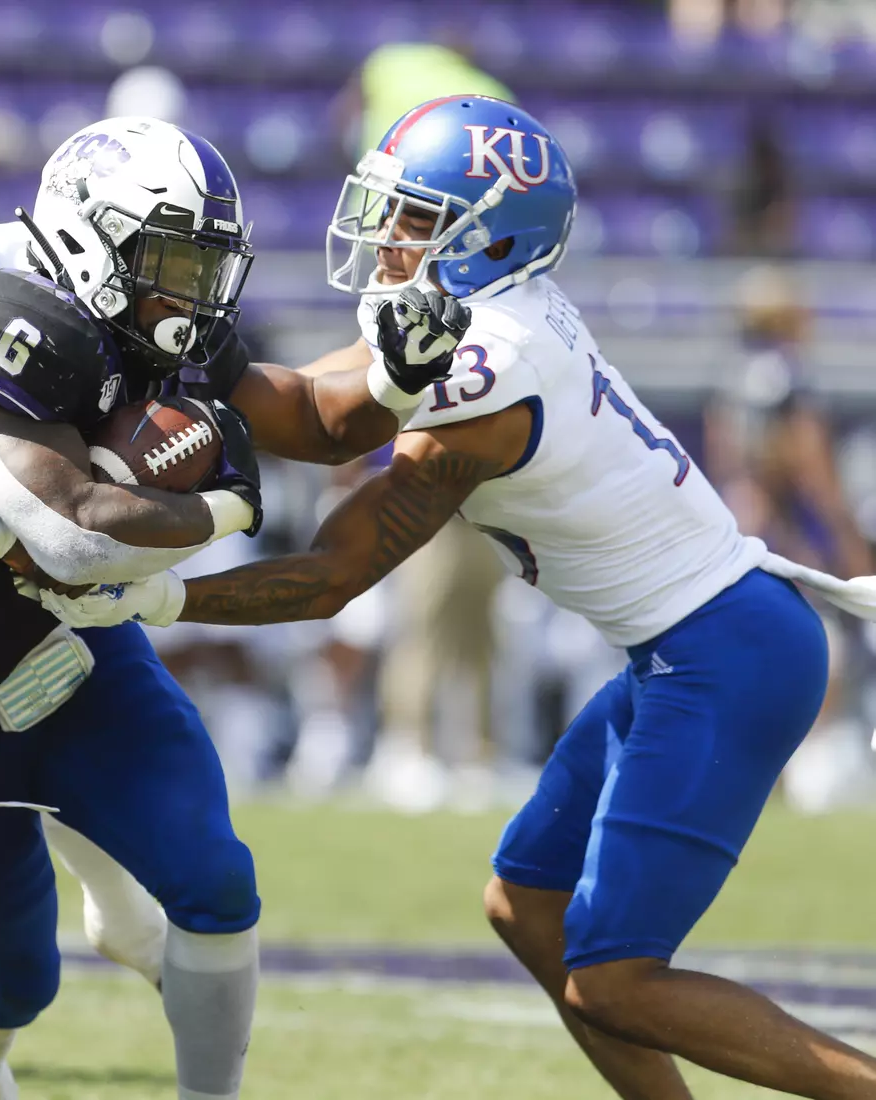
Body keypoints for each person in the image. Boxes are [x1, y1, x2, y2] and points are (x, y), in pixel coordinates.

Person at [46, 95, 876, 1100]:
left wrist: (153, 597)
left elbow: (331, 573)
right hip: (691, 643)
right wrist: (184, 335)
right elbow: (311, 406)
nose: (388, 237)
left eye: (414, 217)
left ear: (490, 236)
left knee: (615, 977)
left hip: (723, 653)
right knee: (527, 905)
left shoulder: (491, 368)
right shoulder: (473, 319)